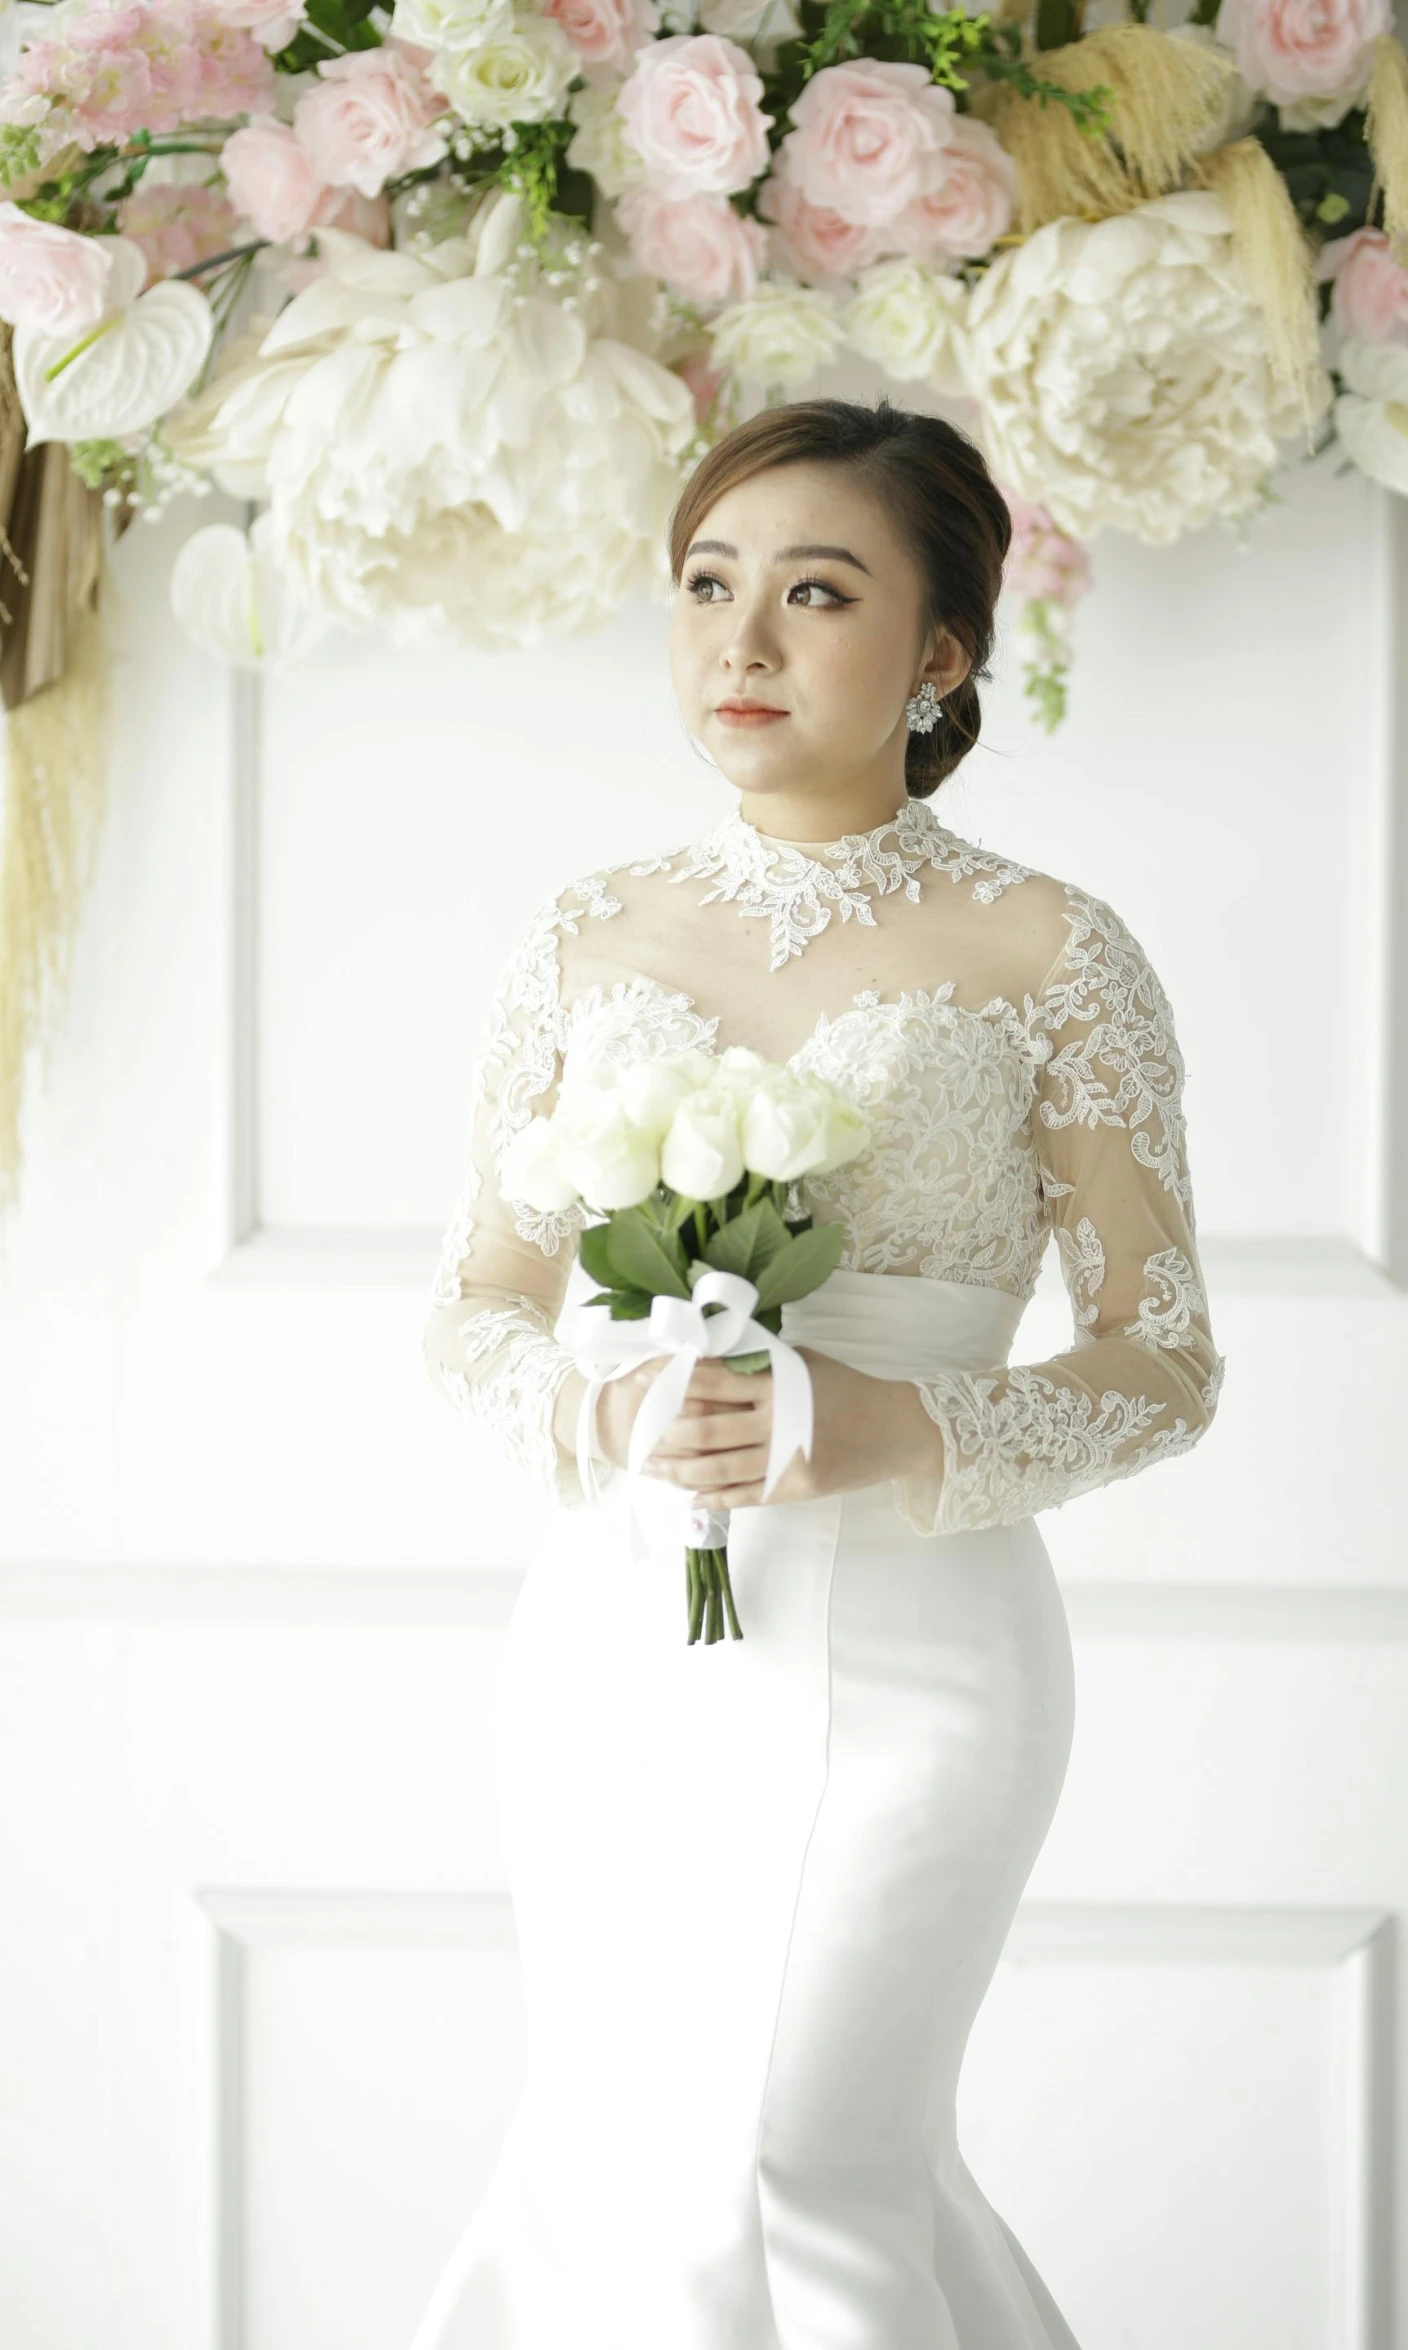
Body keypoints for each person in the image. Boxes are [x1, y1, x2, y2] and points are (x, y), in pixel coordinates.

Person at [415, 395, 1224, 2350]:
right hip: (618, 1640)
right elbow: (475, 1307)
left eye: (817, 590)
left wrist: (897, 1424)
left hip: (924, 1651)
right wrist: (598, 1410)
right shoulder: (587, 937)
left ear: (942, 653)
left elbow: (1166, 1358)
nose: (740, 641)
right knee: (613, 2148)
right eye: (708, 584)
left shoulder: (1056, 952)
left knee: (797, 2154)